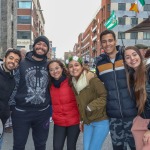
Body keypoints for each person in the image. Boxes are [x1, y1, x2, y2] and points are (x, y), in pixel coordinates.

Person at [96, 30, 137, 150]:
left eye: (110, 40)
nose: (107, 44)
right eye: (104, 42)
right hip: (114, 117)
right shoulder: (99, 64)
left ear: (115, 41)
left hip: (133, 115)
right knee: (118, 148)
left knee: (137, 146)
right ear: (101, 44)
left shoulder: (126, 58)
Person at [10, 35, 51, 150]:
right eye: (39, 44)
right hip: (21, 113)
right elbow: (13, 85)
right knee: (18, 146)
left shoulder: (49, 66)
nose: (41, 47)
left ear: (47, 49)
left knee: (40, 145)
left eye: (44, 45)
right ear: (33, 46)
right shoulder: (21, 64)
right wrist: (12, 106)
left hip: (42, 113)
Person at [66, 56, 109, 150]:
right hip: (88, 122)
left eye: (76, 65)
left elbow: (104, 96)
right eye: (70, 66)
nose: (74, 68)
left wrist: (90, 107)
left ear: (82, 66)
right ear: (68, 69)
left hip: (100, 120)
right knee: (86, 148)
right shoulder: (73, 82)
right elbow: (80, 103)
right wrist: (82, 120)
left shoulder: (91, 78)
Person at [48, 60, 80, 150]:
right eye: (51, 70)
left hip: (74, 121)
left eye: (57, 68)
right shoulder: (49, 85)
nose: (55, 71)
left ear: (62, 68)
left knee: (71, 147)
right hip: (59, 122)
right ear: (49, 72)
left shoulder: (71, 81)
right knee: (57, 147)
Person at [123, 46, 150, 150]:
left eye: (134, 54)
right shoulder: (131, 77)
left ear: (140, 54)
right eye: (128, 57)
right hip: (142, 120)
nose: (132, 59)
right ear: (125, 61)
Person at [0, 49, 21, 149]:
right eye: (11, 58)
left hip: (2, 121)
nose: (13, 62)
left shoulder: (12, 80)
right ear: (4, 59)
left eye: (16, 61)